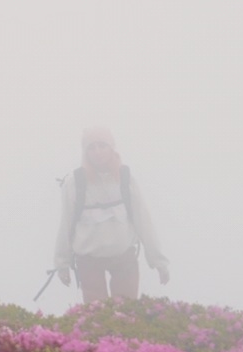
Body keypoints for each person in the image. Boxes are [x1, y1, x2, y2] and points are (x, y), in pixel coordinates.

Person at [54, 127, 169, 302]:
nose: (97, 151)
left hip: (124, 258)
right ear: (85, 152)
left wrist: (158, 262)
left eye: (102, 145)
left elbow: (143, 221)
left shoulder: (125, 179)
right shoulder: (74, 183)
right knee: (95, 317)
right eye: (91, 147)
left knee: (126, 314)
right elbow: (66, 225)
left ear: (112, 148)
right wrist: (62, 264)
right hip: (89, 260)